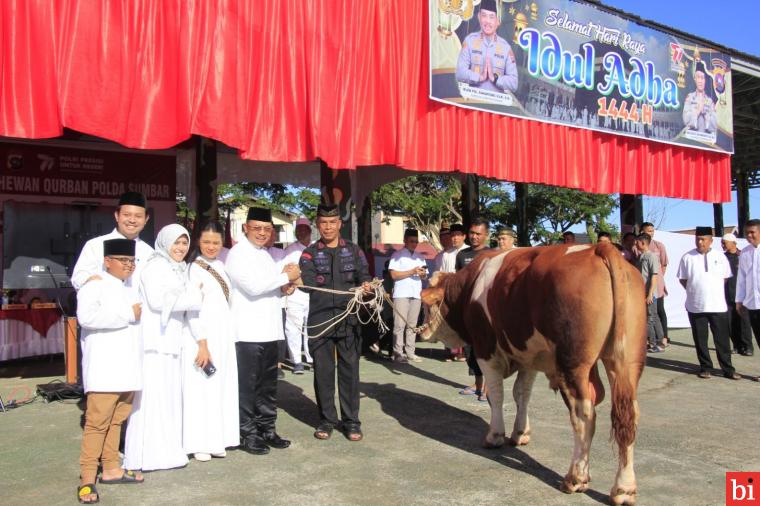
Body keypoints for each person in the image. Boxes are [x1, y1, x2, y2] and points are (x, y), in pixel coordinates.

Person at [124, 224, 203, 471]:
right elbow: (159, 301)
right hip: (155, 343)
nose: (180, 248)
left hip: (169, 341)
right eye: (176, 243)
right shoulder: (156, 265)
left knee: (167, 398)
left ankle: (167, 451)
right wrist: (195, 295)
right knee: (153, 400)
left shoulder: (175, 267)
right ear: (165, 242)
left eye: (184, 243)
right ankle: (149, 455)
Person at [226, 207, 300, 455]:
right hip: (247, 333)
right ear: (245, 228)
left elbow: (271, 287)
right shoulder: (237, 254)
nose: (261, 233)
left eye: (267, 229)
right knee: (248, 387)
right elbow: (253, 287)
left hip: (270, 330)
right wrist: (284, 277)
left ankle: (267, 428)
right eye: (256, 228)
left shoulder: (267, 255)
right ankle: (247, 433)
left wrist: (284, 287)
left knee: (268, 386)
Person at [76, 239, 144, 504]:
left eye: (131, 261)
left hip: (128, 367)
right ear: (107, 261)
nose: (128, 266)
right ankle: (87, 479)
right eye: (123, 261)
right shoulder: (94, 285)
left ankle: (112, 468)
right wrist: (127, 314)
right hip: (105, 368)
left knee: (117, 420)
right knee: (97, 424)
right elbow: (87, 318)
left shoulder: (129, 287)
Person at [299, 204, 372, 442]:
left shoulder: (354, 250)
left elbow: (364, 276)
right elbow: (308, 283)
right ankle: (327, 420)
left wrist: (367, 287)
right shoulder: (309, 254)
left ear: (340, 224)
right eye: (323, 223)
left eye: (332, 222)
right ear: (317, 225)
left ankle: (351, 422)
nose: (328, 227)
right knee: (323, 372)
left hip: (349, 319)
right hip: (320, 320)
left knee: (350, 372)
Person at [183, 221, 240, 462]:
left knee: (221, 386)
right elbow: (192, 310)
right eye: (206, 242)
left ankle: (219, 437)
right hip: (202, 335)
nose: (211, 246)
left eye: (216, 242)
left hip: (224, 333)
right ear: (198, 242)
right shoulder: (193, 269)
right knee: (202, 387)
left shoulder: (223, 266)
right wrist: (201, 342)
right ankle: (199, 442)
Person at [677, 227, 739, 380]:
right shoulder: (687, 257)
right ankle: (705, 367)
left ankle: (728, 369)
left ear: (711, 241)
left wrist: (712, 289)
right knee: (700, 339)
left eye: (703, 239)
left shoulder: (720, 257)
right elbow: (683, 279)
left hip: (717, 305)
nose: (700, 242)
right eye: (697, 239)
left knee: (722, 339)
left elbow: (725, 277)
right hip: (696, 305)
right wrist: (695, 290)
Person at [72, 192, 154, 295]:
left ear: (146, 219)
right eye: (126, 215)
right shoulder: (95, 245)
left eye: (138, 216)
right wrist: (91, 281)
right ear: (117, 216)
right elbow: (79, 277)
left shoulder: (150, 253)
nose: (132, 220)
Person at [456, 218, 491, 401]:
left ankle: (488, 388)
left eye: (478, 234)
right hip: (466, 308)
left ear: (486, 235)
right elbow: (458, 280)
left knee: (485, 348)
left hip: (485, 309)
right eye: (472, 233)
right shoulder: (462, 255)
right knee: (470, 349)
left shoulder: (493, 254)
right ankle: (477, 385)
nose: (474, 237)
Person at [455, 0, 518, 94]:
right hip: (472, 102)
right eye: (484, 15)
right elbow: (460, 73)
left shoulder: (506, 48)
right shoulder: (469, 41)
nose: (487, 21)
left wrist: (495, 79)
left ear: (498, 21)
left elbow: (514, 83)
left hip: (495, 105)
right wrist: (479, 77)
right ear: (479, 17)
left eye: (491, 17)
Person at [389, 229, 428, 364]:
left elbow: (424, 276)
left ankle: (410, 352)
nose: (414, 244)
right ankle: (398, 353)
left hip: (416, 293)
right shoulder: (397, 255)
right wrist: (411, 271)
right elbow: (394, 275)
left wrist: (422, 273)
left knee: (412, 325)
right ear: (405, 240)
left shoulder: (420, 256)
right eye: (411, 241)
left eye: (416, 242)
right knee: (399, 324)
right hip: (401, 293)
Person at [283, 217, 314, 374]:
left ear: (310, 231)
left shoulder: (317, 247)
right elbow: (286, 271)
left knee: (312, 327)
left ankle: (312, 358)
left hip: (314, 293)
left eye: (304, 229)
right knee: (294, 328)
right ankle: (296, 361)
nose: (301, 232)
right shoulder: (289, 250)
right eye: (299, 230)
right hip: (295, 293)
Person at [735, 219, 760, 382]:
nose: (749, 235)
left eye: (753, 232)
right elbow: (741, 278)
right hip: (752, 302)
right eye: (747, 232)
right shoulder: (745, 252)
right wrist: (739, 300)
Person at [439, 224, 469, 361]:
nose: (455, 238)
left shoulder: (469, 252)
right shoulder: (446, 254)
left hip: (464, 292)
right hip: (448, 292)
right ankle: (450, 351)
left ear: (464, 236)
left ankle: (463, 352)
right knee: (449, 321)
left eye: (458, 235)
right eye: (453, 236)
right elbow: (442, 274)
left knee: (463, 322)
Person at [638, 222, 670, 347]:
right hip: (643, 286)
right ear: (642, 232)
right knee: (648, 314)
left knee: (658, 311)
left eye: (652, 231)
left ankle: (663, 338)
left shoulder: (659, 246)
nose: (651, 233)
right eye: (648, 231)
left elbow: (663, 264)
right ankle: (649, 338)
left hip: (656, 285)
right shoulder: (638, 247)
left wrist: (657, 278)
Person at [722, 233, 753, 356]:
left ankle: (748, 346)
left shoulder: (742, 256)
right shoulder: (722, 258)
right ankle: (736, 345)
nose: (723, 245)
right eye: (722, 242)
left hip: (742, 295)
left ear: (733, 242)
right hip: (727, 294)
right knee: (730, 322)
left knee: (744, 322)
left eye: (725, 242)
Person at [635, 233, 665, 353]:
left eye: (637, 242)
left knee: (651, 317)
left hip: (650, 293)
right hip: (642, 292)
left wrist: (650, 294)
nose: (635, 244)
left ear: (643, 243)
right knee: (649, 317)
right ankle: (653, 342)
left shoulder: (651, 256)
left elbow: (654, 276)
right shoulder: (641, 256)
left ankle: (657, 343)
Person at [682, 61, 718, 134]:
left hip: (706, 141)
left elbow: (714, 125)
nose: (700, 81)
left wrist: (705, 113)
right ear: (695, 79)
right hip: (692, 138)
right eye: (698, 77)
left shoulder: (710, 101)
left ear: (705, 80)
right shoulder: (690, 97)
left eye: (702, 78)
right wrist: (698, 111)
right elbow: (685, 119)